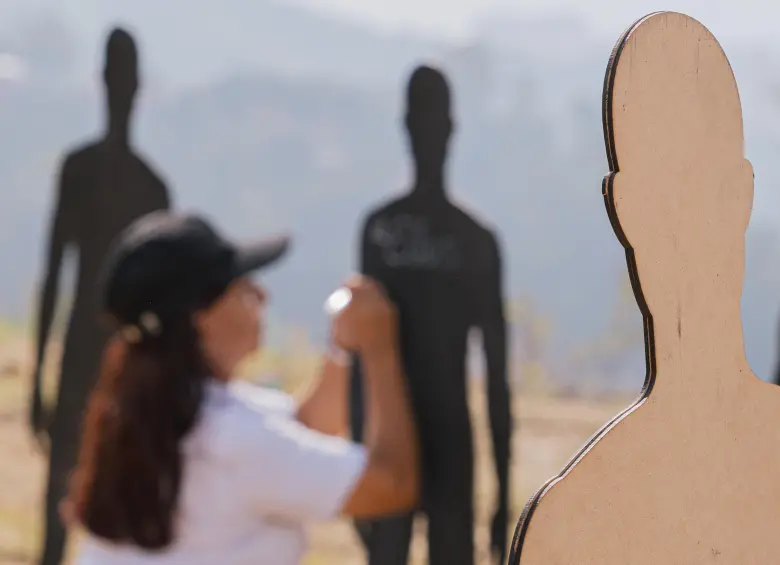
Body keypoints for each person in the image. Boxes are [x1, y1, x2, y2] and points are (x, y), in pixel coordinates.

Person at [60, 211, 419, 565]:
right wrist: (379, 350)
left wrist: (342, 348)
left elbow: (301, 429)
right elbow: (389, 485)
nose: (261, 296)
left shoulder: (148, 413)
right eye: (242, 288)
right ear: (200, 317)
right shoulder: (233, 441)